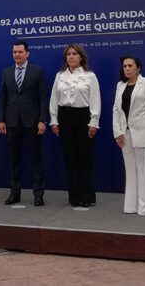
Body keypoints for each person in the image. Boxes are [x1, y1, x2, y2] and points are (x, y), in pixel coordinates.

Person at [49, 44, 100, 207]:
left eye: (74, 54)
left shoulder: (90, 76)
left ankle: (86, 197)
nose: (71, 56)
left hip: (83, 117)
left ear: (81, 57)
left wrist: (94, 122)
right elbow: (54, 100)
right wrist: (54, 120)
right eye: (68, 54)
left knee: (84, 158)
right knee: (69, 158)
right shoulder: (60, 76)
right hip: (65, 117)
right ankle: (74, 197)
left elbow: (95, 100)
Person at [0, 40, 49, 206]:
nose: (17, 55)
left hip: (32, 123)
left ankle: (38, 194)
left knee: (36, 161)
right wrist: (1, 120)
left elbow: (43, 97)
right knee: (14, 160)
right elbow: (3, 98)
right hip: (12, 122)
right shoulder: (6, 72)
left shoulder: (37, 71)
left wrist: (42, 120)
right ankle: (15, 193)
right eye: (14, 52)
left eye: (20, 52)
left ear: (27, 53)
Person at [111, 56, 145, 215]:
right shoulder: (120, 85)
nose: (127, 68)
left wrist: (144, 120)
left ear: (138, 68)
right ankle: (130, 207)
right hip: (124, 134)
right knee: (130, 170)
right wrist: (118, 132)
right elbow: (116, 111)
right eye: (125, 66)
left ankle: (144, 207)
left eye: (130, 66)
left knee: (143, 170)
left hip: (142, 132)